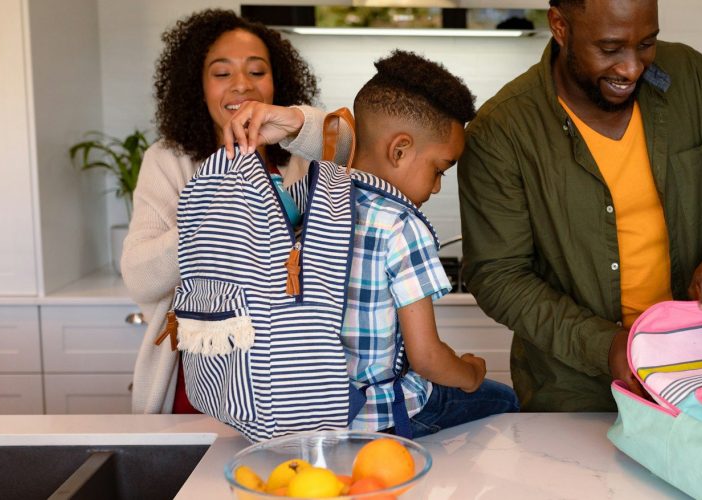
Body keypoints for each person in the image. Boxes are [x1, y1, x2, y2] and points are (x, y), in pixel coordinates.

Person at [457, 0, 702, 412]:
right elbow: (498, 274)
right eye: (609, 49)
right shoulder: (502, 131)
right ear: (559, 26)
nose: (631, 68)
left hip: (696, 363)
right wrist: (605, 345)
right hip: (571, 386)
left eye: (646, 43)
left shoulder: (691, 79)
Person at [226, 50, 520, 437]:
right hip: (382, 416)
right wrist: (469, 373)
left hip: (311, 410)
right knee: (505, 402)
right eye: (439, 169)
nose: (436, 186)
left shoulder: (311, 196)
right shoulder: (401, 224)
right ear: (399, 150)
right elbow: (428, 357)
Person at [123, 9, 326, 414]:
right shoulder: (169, 161)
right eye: (221, 73)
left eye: (257, 71)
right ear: (197, 87)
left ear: (277, 82)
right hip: (199, 372)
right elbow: (140, 278)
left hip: (293, 372)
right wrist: (209, 219)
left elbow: (357, 149)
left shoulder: (301, 158)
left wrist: (294, 121)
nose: (241, 86)